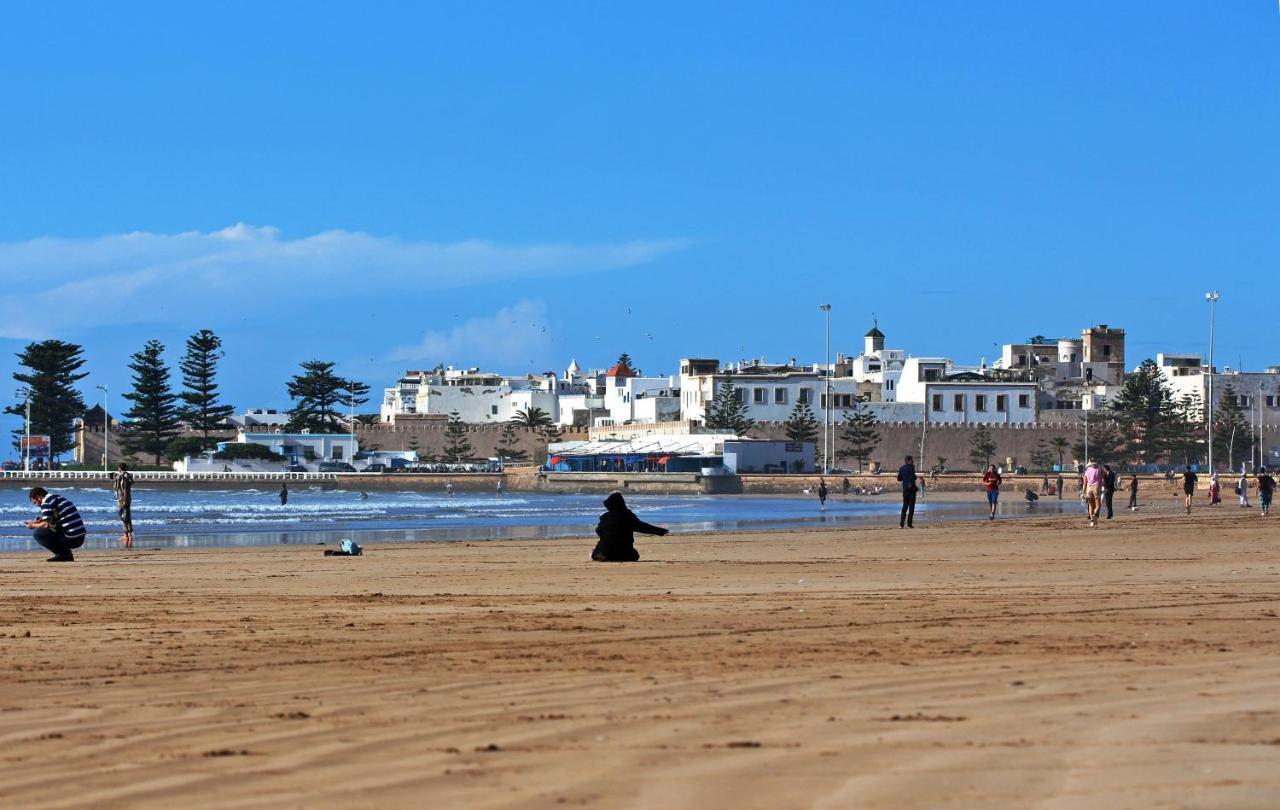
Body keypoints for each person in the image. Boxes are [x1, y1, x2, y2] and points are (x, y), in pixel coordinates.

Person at [591, 491, 669, 562]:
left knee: (598, 552)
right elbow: (642, 527)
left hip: (605, 550)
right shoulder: (628, 516)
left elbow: (598, 531)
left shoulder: (605, 517)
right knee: (635, 556)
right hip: (624, 552)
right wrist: (660, 531)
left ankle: (602, 556)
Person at [24, 487, 87, 562]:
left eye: (35, 502)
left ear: (38, 497)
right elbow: (58, 517)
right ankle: (65, 555)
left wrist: (32, 525)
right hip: (80, 537)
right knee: (49, 528)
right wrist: (42, 519)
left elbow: (45, 525)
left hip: (71, 538)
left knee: (38, 533)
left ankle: (63, 554)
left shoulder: (46, 503)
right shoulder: (58, 497)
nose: (36, 505)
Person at [111, 462, 134, 549]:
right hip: (127, 498)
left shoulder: (123, 477)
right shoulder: (127, 476)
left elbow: (124, 489)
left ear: (119, 468)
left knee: (123, 516)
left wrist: (124, 500)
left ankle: (126, 535)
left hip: (123, 498)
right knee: (127, 516)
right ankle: (129, 535)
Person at [896, 455, 919, 529]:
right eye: (912, 460)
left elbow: (899, 479)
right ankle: (909, 523)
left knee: (904, 507)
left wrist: (904, 478)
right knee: (911, 507)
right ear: (909, 460)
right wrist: (915, 477)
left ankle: (901, 524)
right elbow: (912, 477)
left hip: (905, 490)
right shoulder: (911, 467)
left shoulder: (901, 468)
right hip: (911, 490)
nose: (913, 461)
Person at [1082, 460, 1103, 527]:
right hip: (1096, 488)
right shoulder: (1100, 470)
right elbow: (1103, 479)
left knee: (1090, 506)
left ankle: (1092, 521)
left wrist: (1083, 492)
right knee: (1098, 505)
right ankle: (1094, 515)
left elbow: (1085, 483)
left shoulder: (1086, 471)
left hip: (1088, 489)